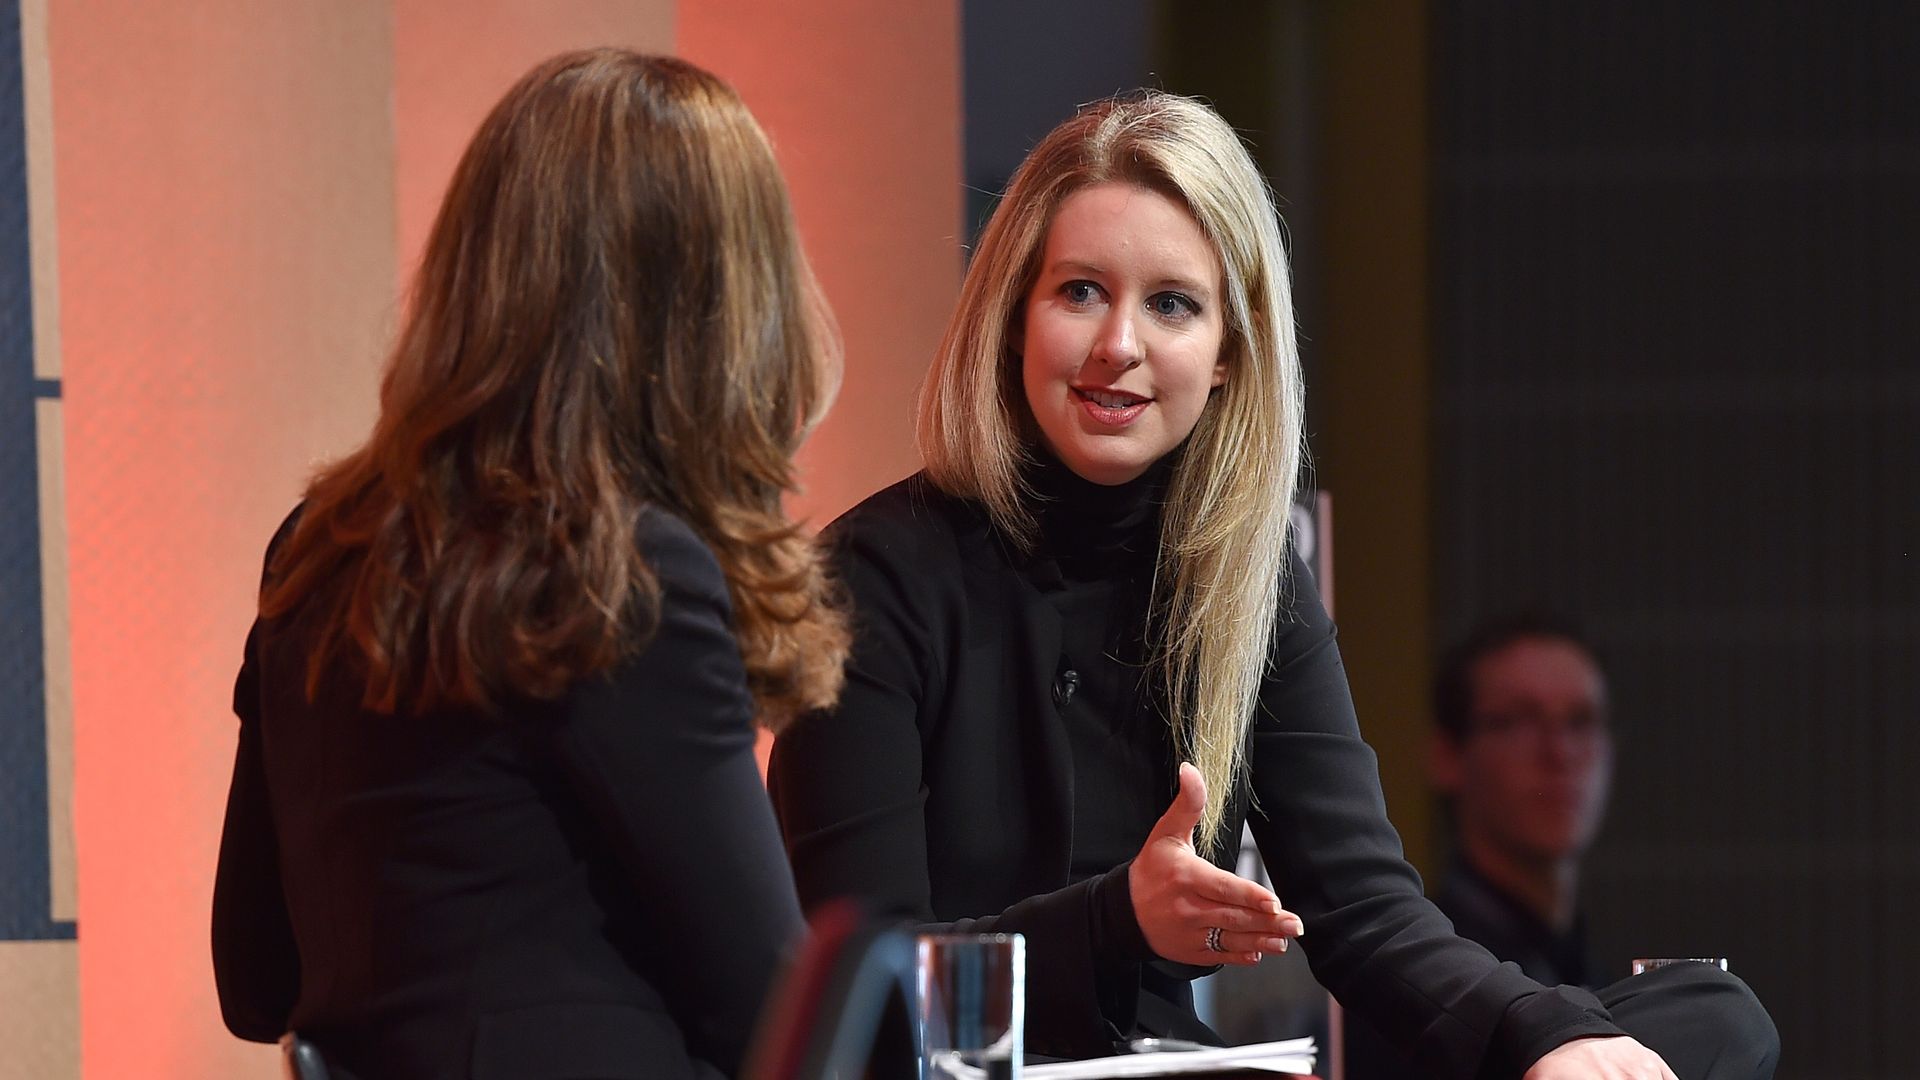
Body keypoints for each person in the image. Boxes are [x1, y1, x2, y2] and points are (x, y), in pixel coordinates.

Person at [767, 91, 1778, 1078]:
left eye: (1172, 304)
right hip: (967, 1070)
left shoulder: (1248, 581)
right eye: (1079, 292)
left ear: (1227, 355)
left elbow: (1366, 914)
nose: (1119, 345)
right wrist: (1116, 919)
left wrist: (1542, 1036)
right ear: (1013, 320)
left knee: (1713, 1016)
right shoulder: (871, 576)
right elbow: (863, 989)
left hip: (1177, 1069)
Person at [212, 49, 847, 1080]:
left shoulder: (317, 550)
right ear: (722, 308)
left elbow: (256, 978)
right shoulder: (626, 576)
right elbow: (782, 1025)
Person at [1345, 617, 1618, 1078]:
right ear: (1447, 756)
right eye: (1518, 720)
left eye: (1581, 720)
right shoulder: (1407, 987)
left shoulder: (1590, 969)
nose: (1560, 753)